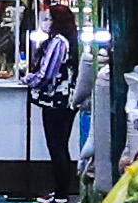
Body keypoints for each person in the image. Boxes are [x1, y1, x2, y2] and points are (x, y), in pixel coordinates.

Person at [23, 13, 90, 191]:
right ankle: (60, 193)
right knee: (60, 146)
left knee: (56, 147)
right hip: (66, 101)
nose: (44, 23)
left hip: (57, 101)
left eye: (48, 19)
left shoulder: (58, 42)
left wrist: (28, 80)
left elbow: (46, 73)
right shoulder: (70, 41)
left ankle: (61, 195)